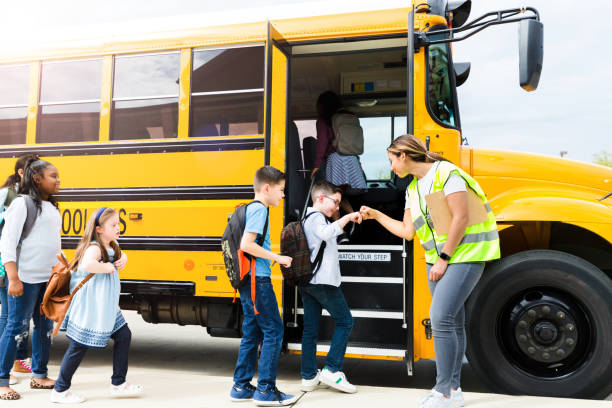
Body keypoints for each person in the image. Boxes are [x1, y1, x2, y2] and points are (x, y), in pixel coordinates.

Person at [360, 135, 500, 408]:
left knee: (440, 319)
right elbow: (407, 232)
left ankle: (443, 391)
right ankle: (455, 389)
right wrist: (376, 215)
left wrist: (443, 259)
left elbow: (462, 217)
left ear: (403, 155)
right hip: (438, 260)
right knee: (452, 323)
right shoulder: (413, 189)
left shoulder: (446, 173)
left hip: (464, 255)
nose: (391, 168)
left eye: (391, 161)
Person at [51, 207, 138, 403]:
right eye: (113, 225)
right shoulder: (94, 247)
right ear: (99, 229)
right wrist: (106, 267)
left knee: (124, 335)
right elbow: (87, 265)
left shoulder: (111, 244)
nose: (118, 228)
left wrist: (123, 258)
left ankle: (118, 384)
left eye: (118, 224)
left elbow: (119, 255)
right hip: (92, 306)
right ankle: (60, 390)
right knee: (78, 345)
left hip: (105, 305)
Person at [230, 166, 297, 406]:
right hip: (258, 280)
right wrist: (276, 257)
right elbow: (247, 244)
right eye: (281, 190)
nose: (283, 195)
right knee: (274, 331)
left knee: (253, 331)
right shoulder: (260, 210)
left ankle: (240, 386)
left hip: (248, 281)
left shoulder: (248, 208)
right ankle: (266, 390)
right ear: (267, 188)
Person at [0, 158, 62, 400]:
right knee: (16, 327)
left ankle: (40, 375)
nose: (58, 180)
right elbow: (7, 242)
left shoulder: (52, 208)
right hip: (24, 278)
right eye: (53, 176)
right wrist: (13, 278)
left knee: (45, 328)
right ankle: (2, 380)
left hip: (48, 279)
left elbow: (52, 242)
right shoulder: (22, 204)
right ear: (37, 178)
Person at [300, 180, 361, 394]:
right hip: (322, 281)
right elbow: (326, 234)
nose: (336, 207)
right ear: (321, 198)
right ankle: (332, 370)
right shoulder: (316, 218)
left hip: (309, 282)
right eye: (335, 202)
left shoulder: (308, 217)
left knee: (310, 329)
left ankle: (308, 377)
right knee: (346, 321)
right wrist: (347, 217)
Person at [0, 154, 40, 385]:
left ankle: (18, 359)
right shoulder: (8, 194)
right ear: (21, 173)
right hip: (7, 263)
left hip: (27, 263)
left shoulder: (34, 196)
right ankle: (6, 367)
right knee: (9, 315)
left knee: (22, 316)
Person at [311, 91, 366, 235]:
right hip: (351, 160)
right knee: (341, 195)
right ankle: (355, 217)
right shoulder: (346, 118)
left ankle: (340, 234)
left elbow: (322, 144)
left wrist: (317, 165)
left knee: (333, 197)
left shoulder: (323, 121)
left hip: (336, 160)